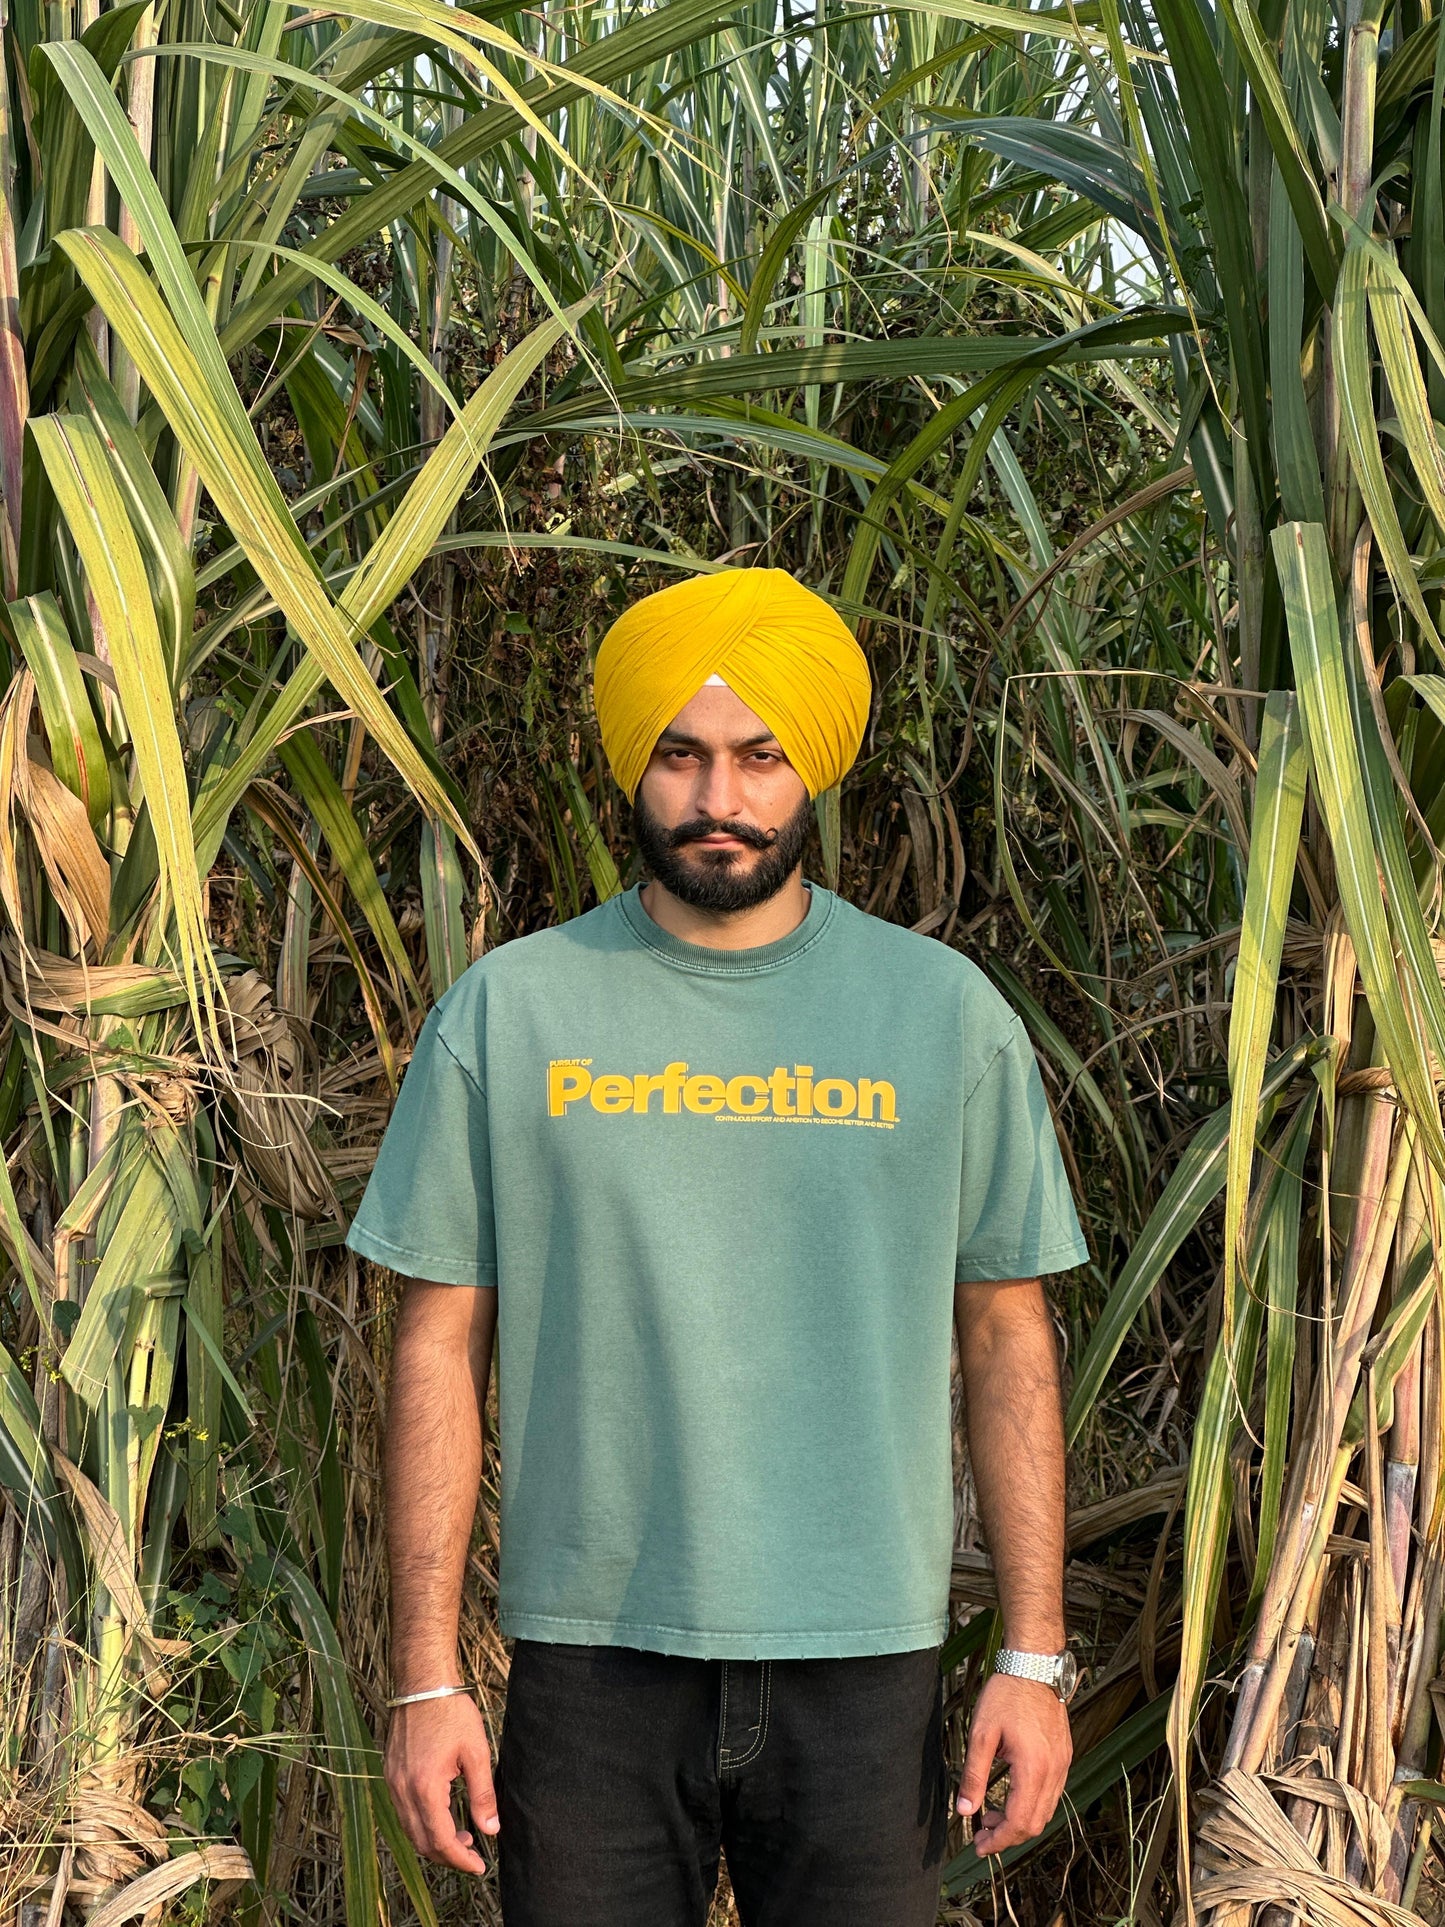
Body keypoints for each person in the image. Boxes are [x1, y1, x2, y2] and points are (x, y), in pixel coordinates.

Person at [347, 567, 1090, 1927]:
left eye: (757, 758)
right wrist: (425, 1675)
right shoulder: (513, 1013)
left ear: (810, 768)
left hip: (866, 1666)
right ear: (637, 762)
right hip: (588, 1668)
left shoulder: (940, 1018)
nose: (717, 799)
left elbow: (1005, 1337)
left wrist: (1032, 1658)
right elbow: (438, 1345)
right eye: (681, 756)